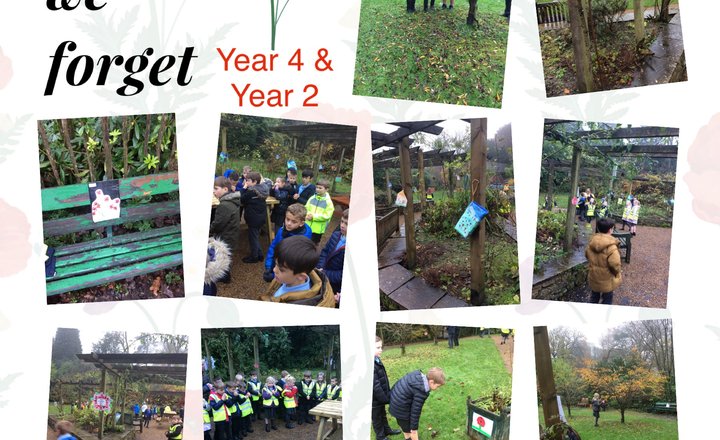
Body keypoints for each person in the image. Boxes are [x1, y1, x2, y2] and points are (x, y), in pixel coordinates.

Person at [259, 235, 336, 307]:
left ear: (301, 276)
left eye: (281, 270)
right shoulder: (288, 278)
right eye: (275, 264)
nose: (274, 270)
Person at [389, 368, 446, 440]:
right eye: (438, 386)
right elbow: (415, 412)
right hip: (400, 408)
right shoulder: (421, 391)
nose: (438, 389)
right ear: (431, 382)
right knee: (409, 430)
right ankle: (408, 437)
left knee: (406, 427)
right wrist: (414, 429)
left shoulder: (417, 376)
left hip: (395, 400)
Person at [263, 204, 313, 282]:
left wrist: (274, 276)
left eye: (294, 221)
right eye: (287, 219)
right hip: (277, 267)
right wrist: (268, 266)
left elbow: (292, 265)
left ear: (301, 223)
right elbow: (273, 247)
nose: (289, 223)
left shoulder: (303, 239)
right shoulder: (283, 230)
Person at [210, 177, 242, 280]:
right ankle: (225, 276)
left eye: (216, 188)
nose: (214, 191)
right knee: (225, 257)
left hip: (226, 236)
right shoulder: (232, 200)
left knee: (221, 258)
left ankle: (225, 277)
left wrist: (209, 230)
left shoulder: (224, 205)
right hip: (231, 234)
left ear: (225, 189)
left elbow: (218, 224)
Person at [585, 217, 622, 305]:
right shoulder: (612, 247)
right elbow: (615, 263)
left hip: (594, 277)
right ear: (610, 230)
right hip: (607, 279)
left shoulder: (591, 242)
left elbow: (587, 255)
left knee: (594, 297)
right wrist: (617, 273)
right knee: (607, 299)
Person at [373, 336, 402, 440]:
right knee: (377, 418)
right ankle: (380, 436)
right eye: (377, 347)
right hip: (374, 399)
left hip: (380, 397)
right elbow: (375, 386)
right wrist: (384, 398)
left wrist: (386, 394)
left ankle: (387, 430)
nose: (381, 350)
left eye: (381, 347)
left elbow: (382, 379)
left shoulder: (377, 360)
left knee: (382, 414)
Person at [317, 209, 348, 295]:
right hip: (322, 272)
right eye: (342, 221)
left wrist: (325, 273)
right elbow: (324, 252)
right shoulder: (335, 235)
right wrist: (320, 267)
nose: (342, 225)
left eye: (347, 224)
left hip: (335, 285)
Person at [240, 171, 269, 263]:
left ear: (255, 182)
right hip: (260, 217)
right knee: (255, 236)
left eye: (248, 181)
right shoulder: (263, 189)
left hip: (253, 218)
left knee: (253, 237)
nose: (246, 182)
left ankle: (254, 257)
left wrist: (244, 188)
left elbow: (242, 199)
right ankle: (260, 254)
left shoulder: (251, 191)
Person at [305, 179, 335, 244]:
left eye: (320, 188)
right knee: (304, 242)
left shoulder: (328, 203)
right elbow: (306, 208)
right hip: (307, 226)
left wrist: (313, 217)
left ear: (326, 189)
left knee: (313, 244)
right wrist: (308, 214)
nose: (317, 189)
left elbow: (327, 216)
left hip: (318, 230)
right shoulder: (312, 198)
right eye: (317, 187)